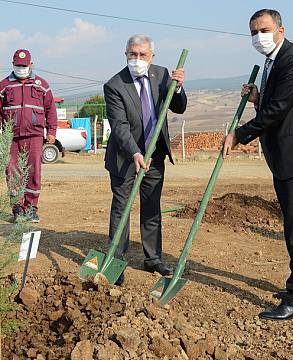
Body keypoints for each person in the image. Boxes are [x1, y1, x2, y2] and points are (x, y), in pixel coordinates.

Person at [223, 9, 293, 320]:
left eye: (264, 30)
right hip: (290, 155)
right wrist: (258, 97)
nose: (259, 37)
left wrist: (239, 135)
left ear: (280, 29)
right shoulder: (276, 61)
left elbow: (277, 111)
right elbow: (278, 103)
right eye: (254, 32)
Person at [104, 34, 187, 285]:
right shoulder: (115, 85)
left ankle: (153, 259)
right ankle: (115, 260)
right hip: (125, 156)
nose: (137, 59)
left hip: (156, 154)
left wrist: (179, 87)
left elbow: (179, 107)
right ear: (125, 54)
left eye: (142, 55)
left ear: (152, 56)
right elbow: (119, 126)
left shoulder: (162, 75)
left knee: (152, 207)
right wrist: (136, 153)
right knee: (122, 208)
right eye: (132, 54)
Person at [0, 49, 57, 223]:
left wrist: (52, 131)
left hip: (35, 136)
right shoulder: (4, 86)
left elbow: (51, 109)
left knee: (33, 172)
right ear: (13, 64)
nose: (21, 68)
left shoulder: (42, 84)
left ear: (31, 64)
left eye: (24, 65)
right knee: (12, 171)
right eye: (18, 65)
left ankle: (31, 208)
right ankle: (17, 208)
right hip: (11, 137)